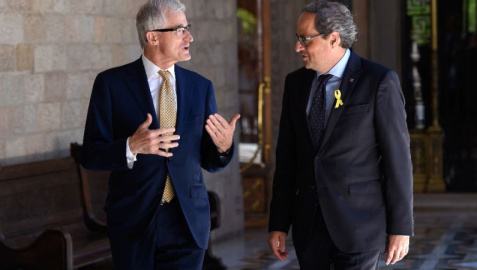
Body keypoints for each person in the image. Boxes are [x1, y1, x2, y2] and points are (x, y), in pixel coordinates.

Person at [81, 0, 240, 269]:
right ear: (152, 36)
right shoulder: (111, 84)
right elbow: (91, 155)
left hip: (187, 221)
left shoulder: (200, 88)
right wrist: (131, 146)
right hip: (134, 223)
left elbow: (210, 161)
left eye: (187, 28)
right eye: (179, 30)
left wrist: (224, 147)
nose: (189, 36)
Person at [267, 1, 413, 269]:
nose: (298, 47)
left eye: (305, 39)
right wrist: (278, 223)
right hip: (308, 227)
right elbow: (287, 159)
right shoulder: (295, 84)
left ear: (333, 38)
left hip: (360, 225)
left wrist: (400, 228)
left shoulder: (379, 81)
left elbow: (398, 161)